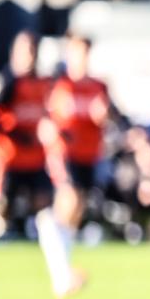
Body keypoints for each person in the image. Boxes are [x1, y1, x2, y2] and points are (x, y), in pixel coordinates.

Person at [0, 31, 84, 297]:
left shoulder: (44, 83)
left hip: (35, 161)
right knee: (0, 217)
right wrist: (15, 135)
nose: (29, 55)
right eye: (25, 50)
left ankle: (62, 279)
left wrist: (57, 132)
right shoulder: (10, 83)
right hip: (8, 161)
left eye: (33, 49)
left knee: (47, 215)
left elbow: (47, 115)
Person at [44, 34, 114, 278]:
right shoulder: (60, 85)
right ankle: (60, 270)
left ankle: (63, 268)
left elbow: (110, 117)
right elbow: (48, 120)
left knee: (75, 212)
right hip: (65, 153)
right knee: (69, 199)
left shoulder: (98, 86)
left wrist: (104, 116)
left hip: (89, 154)